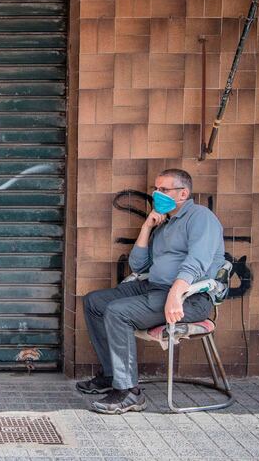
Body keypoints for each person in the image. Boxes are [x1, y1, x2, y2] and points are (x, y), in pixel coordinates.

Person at [77, 168, 224, 414]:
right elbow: (139, 265)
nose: (157, 194)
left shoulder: (200, 217)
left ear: (183, 193)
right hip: (154, 288)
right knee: (95, 302)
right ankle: (113, 374)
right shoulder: (164, 223)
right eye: (156, 189)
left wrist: (176, 294)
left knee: (118, 312)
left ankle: (129, 392)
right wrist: (147, 227)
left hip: (190, 298)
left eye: (164, 189)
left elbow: (198, 261)